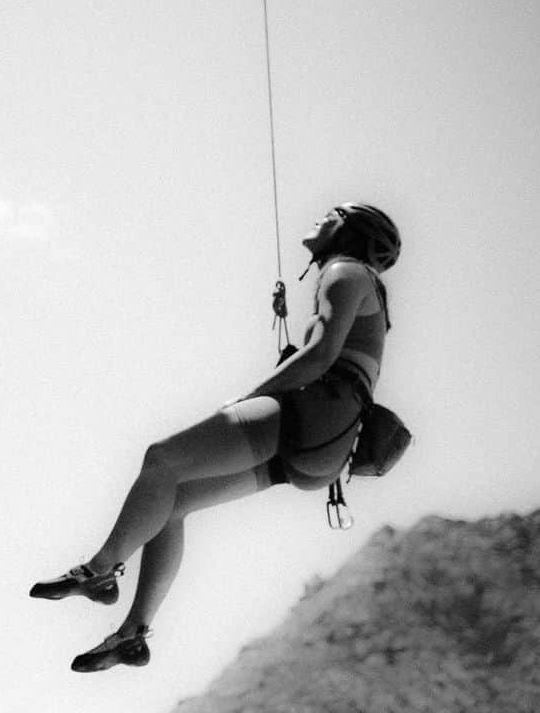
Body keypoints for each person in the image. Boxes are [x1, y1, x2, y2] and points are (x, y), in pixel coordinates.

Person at [30, 202, 401, 673]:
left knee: (161, 459)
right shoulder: (363, 284)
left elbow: (322, 354)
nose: (317, 218)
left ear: (348, 232)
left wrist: (249, 398)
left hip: (318, 415)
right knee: (172, 501)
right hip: (327, 450)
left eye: (331, 215)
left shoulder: (345, 270)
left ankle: (100, 570)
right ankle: (132, 635)